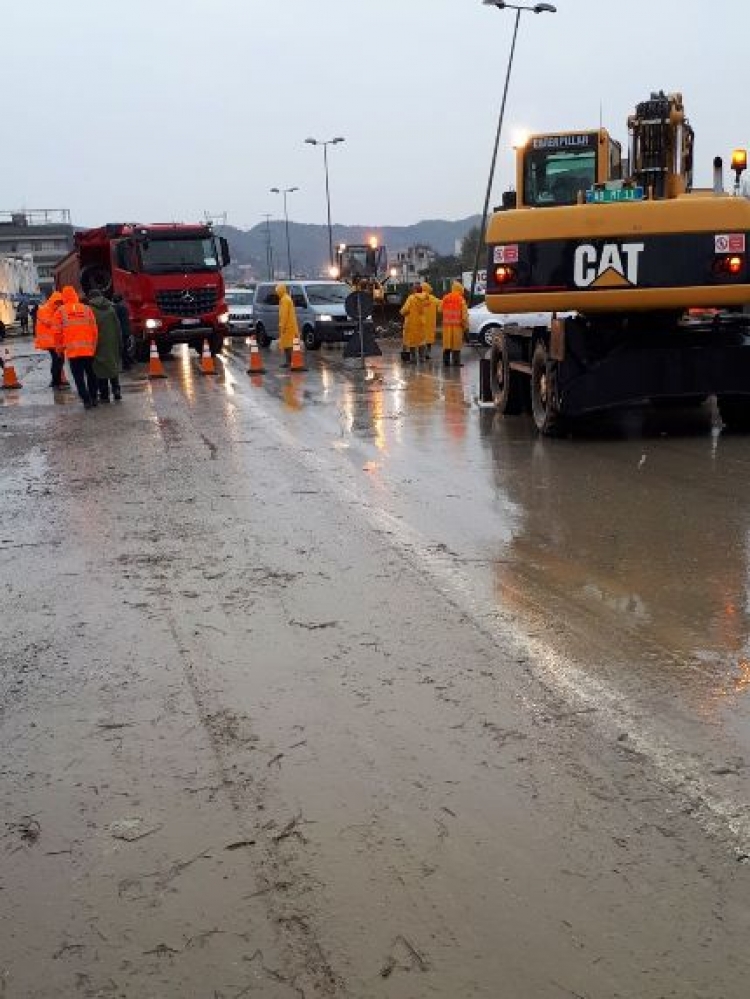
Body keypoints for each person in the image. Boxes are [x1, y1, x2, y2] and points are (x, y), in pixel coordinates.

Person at [55, 286, 99, 408]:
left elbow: (57, 333)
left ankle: (86, 399)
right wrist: (93, 347)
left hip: (73, 352)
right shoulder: (86, 309)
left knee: (78, 377)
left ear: (64, 297)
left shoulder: (60, 311)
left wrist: (59, 350)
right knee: (91, 374)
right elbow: (94, 330)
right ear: (75, 295)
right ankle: (94, 397)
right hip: (88, 350)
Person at [89, 289, 123, 402]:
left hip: (98, 343)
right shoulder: (111, 309)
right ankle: (116, 390)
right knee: (113, 366)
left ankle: (104, 395)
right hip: (112, 343)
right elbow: (118, 328)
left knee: (100, 370)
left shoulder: (91, 310)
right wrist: (120, 343)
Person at [34, 291, 67, 389]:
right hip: (50, 342)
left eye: (61, 303)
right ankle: (56, 382)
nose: (59, 305)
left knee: (60, 361)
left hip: (56, 341)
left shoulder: (55, 310)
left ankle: (57, 381)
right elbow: (49, 322)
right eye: (57, 303)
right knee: (57, 361)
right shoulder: (44, 309)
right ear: (53, 301)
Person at [440, 281, 469, 367]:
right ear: (460, 289)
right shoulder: (461, 300)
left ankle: (446, 362)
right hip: (457, 326)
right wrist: (466, 327)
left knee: (447, 344)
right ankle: (456, 363)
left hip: (447, 326)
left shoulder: (445, 298)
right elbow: (464, 316)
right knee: (456, 345)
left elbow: (440, 309)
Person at [400, 283, 427, 363]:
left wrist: (402, 312)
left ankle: (414, 359)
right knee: (421, 340)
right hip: (421, 322)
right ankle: (422, 358)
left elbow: (405, 309)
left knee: (412, 341)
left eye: (413, 288)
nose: (412, 289)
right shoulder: (425, 297)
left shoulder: (411, 298)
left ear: (415, 290)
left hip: (411, 322)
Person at [276, 283, 299, 367]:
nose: (277, 293)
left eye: (277, 291)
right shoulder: (286, 298)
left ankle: (289, 362)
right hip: (290, 325)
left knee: (288, 345)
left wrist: (282, 325)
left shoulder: (284, 300)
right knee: (288, 345)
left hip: (287, 326)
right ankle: (289, 361)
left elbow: (284, 314)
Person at [112, 293, 132, 370]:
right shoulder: (124, 308)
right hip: (126, 331)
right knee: (125, 348)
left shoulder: (115, 309)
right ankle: (128, 364)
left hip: (120, 332)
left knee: (122, 349)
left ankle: (126, 366)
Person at [421, 282, 441, 361]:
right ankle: (427, 353)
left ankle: (421, 354)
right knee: (429, 339)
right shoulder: (432, 298)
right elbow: (441, 303)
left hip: (420, 322)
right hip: (431, 323)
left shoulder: (417, 298)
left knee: (421, 339)